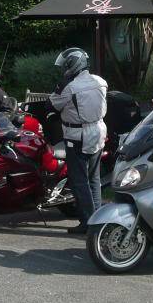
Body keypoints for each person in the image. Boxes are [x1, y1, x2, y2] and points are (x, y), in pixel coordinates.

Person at [49, 48, 107, 234]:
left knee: (79, 180)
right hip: (98, 131)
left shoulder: (70, 87)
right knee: (94, 179)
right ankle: (97, 220)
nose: (64, 68)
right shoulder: (100, 82)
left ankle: (89, 224)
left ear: (73, 64)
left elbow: (53, 104)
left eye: (66, 64)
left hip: (77, 136)